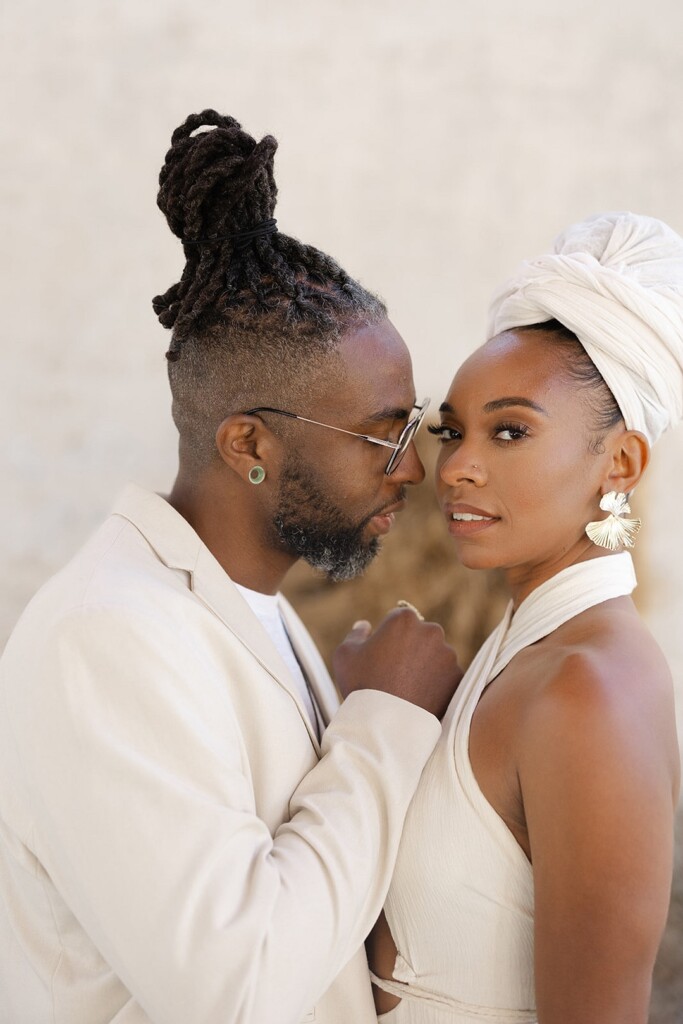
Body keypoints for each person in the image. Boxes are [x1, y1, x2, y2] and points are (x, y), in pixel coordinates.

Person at [0, 110, 462, 1024]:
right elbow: (234, 989)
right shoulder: (108, 635)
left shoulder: (246, 610)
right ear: (247, 442)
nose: (410, 467)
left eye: (412, 428)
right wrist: (381, 726)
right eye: (380, 434)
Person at [363, 211, 682, 1023]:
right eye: (452, 431)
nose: (457, 466)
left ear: (620, 463)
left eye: (509, 432)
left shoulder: (587, 691)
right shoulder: (523, 649)